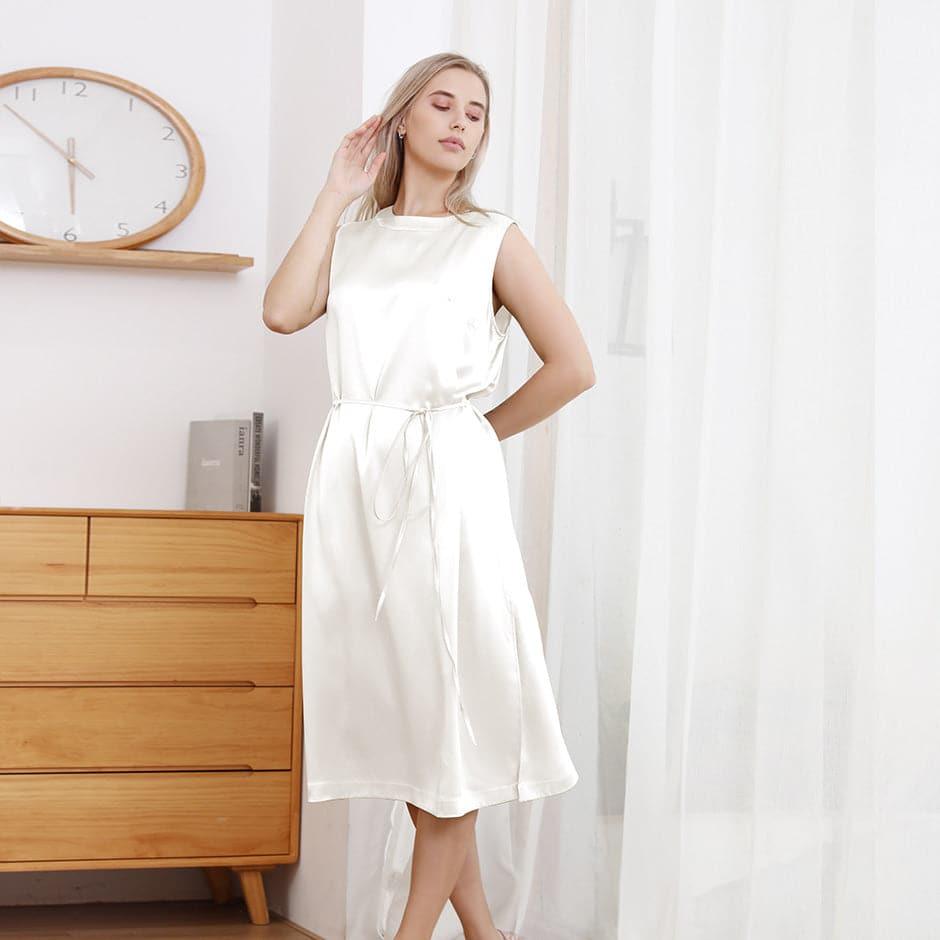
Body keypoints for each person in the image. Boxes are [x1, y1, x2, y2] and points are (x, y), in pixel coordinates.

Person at [263, 52, 595, 940]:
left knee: (449, 710)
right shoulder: (355, 234)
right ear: (401, 120)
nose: (460, 123)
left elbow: (572, 366)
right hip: (355, 481)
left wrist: (476, 433)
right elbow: (283, 312)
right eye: (442, 105)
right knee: (415, 718)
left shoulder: (491, 237)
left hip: (446, 484)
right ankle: (486, 932)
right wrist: (335, 192)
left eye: (476, 113)